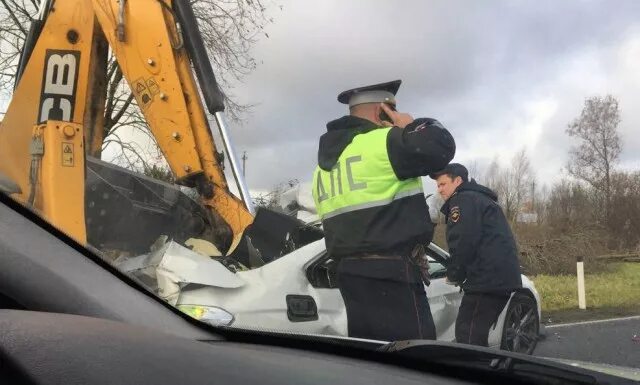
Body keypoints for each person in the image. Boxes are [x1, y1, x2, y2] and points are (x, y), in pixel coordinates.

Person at [312, 79, 456, 341]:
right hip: (394, 275)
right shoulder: (383, 142)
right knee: (414, 365)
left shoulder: (323, 168)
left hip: (348, 276)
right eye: (393, 109)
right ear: (383, 111)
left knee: (372, 365)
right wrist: (409, 125)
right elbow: (440, 145)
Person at [430, 163, 522, 346]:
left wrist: (454, 274)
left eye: (443, 184)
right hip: (497, 278)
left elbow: (463, 240)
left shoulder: (462, 200)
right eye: (437, 185)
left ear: (457, 181)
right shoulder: (479, 199)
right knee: (473, 334)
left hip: (486, 281)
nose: (439, 190)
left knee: (468, 335)